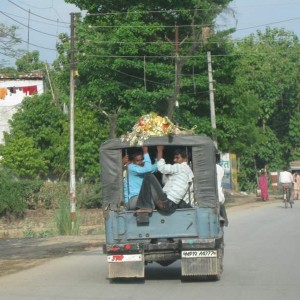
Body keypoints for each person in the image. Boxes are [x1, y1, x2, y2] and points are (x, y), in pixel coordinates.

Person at [136, 146, 194, 212]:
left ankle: (146, 206)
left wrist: (160, 150)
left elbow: (161, 167)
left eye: (177, 158)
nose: (174, 160)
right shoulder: (189, 171)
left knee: (148, 176)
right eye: (174, 157)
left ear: (185, 159)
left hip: (167, 203)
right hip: (172, 205)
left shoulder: (181, 167)